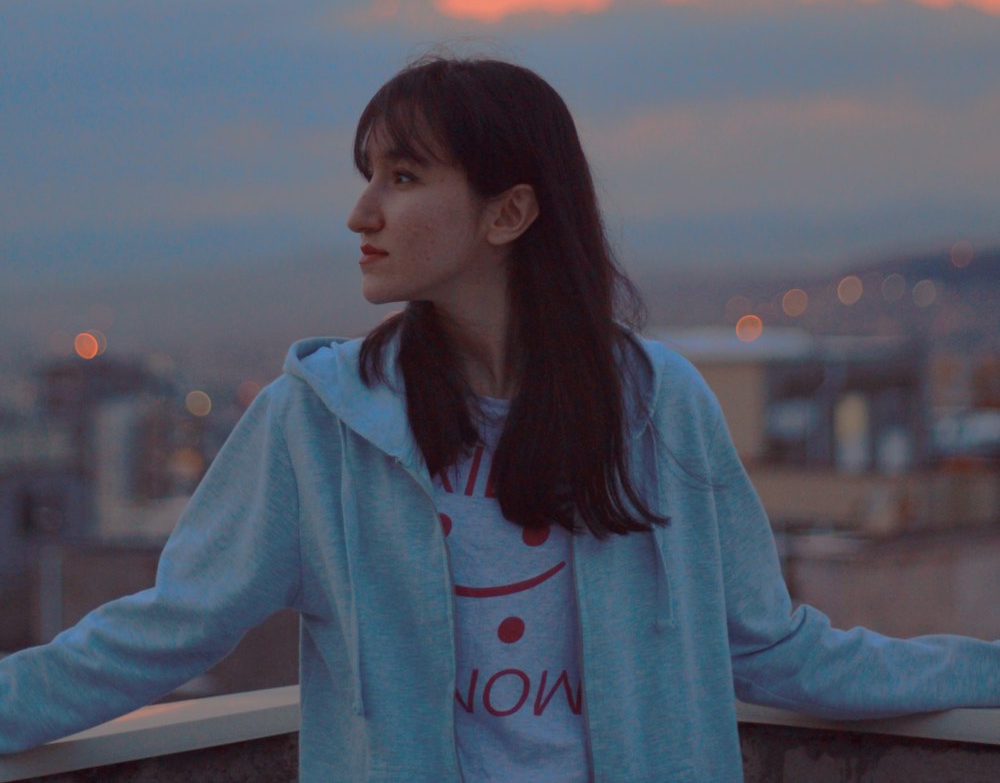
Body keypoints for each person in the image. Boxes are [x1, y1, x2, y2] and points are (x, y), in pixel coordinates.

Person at [0, 55, 998, 781]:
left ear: (508, 213)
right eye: (368, 176)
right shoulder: (320, 422)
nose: (361, 215)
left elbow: (772, 646)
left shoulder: (657, 408)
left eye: (401, 177)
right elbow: (168, 630)